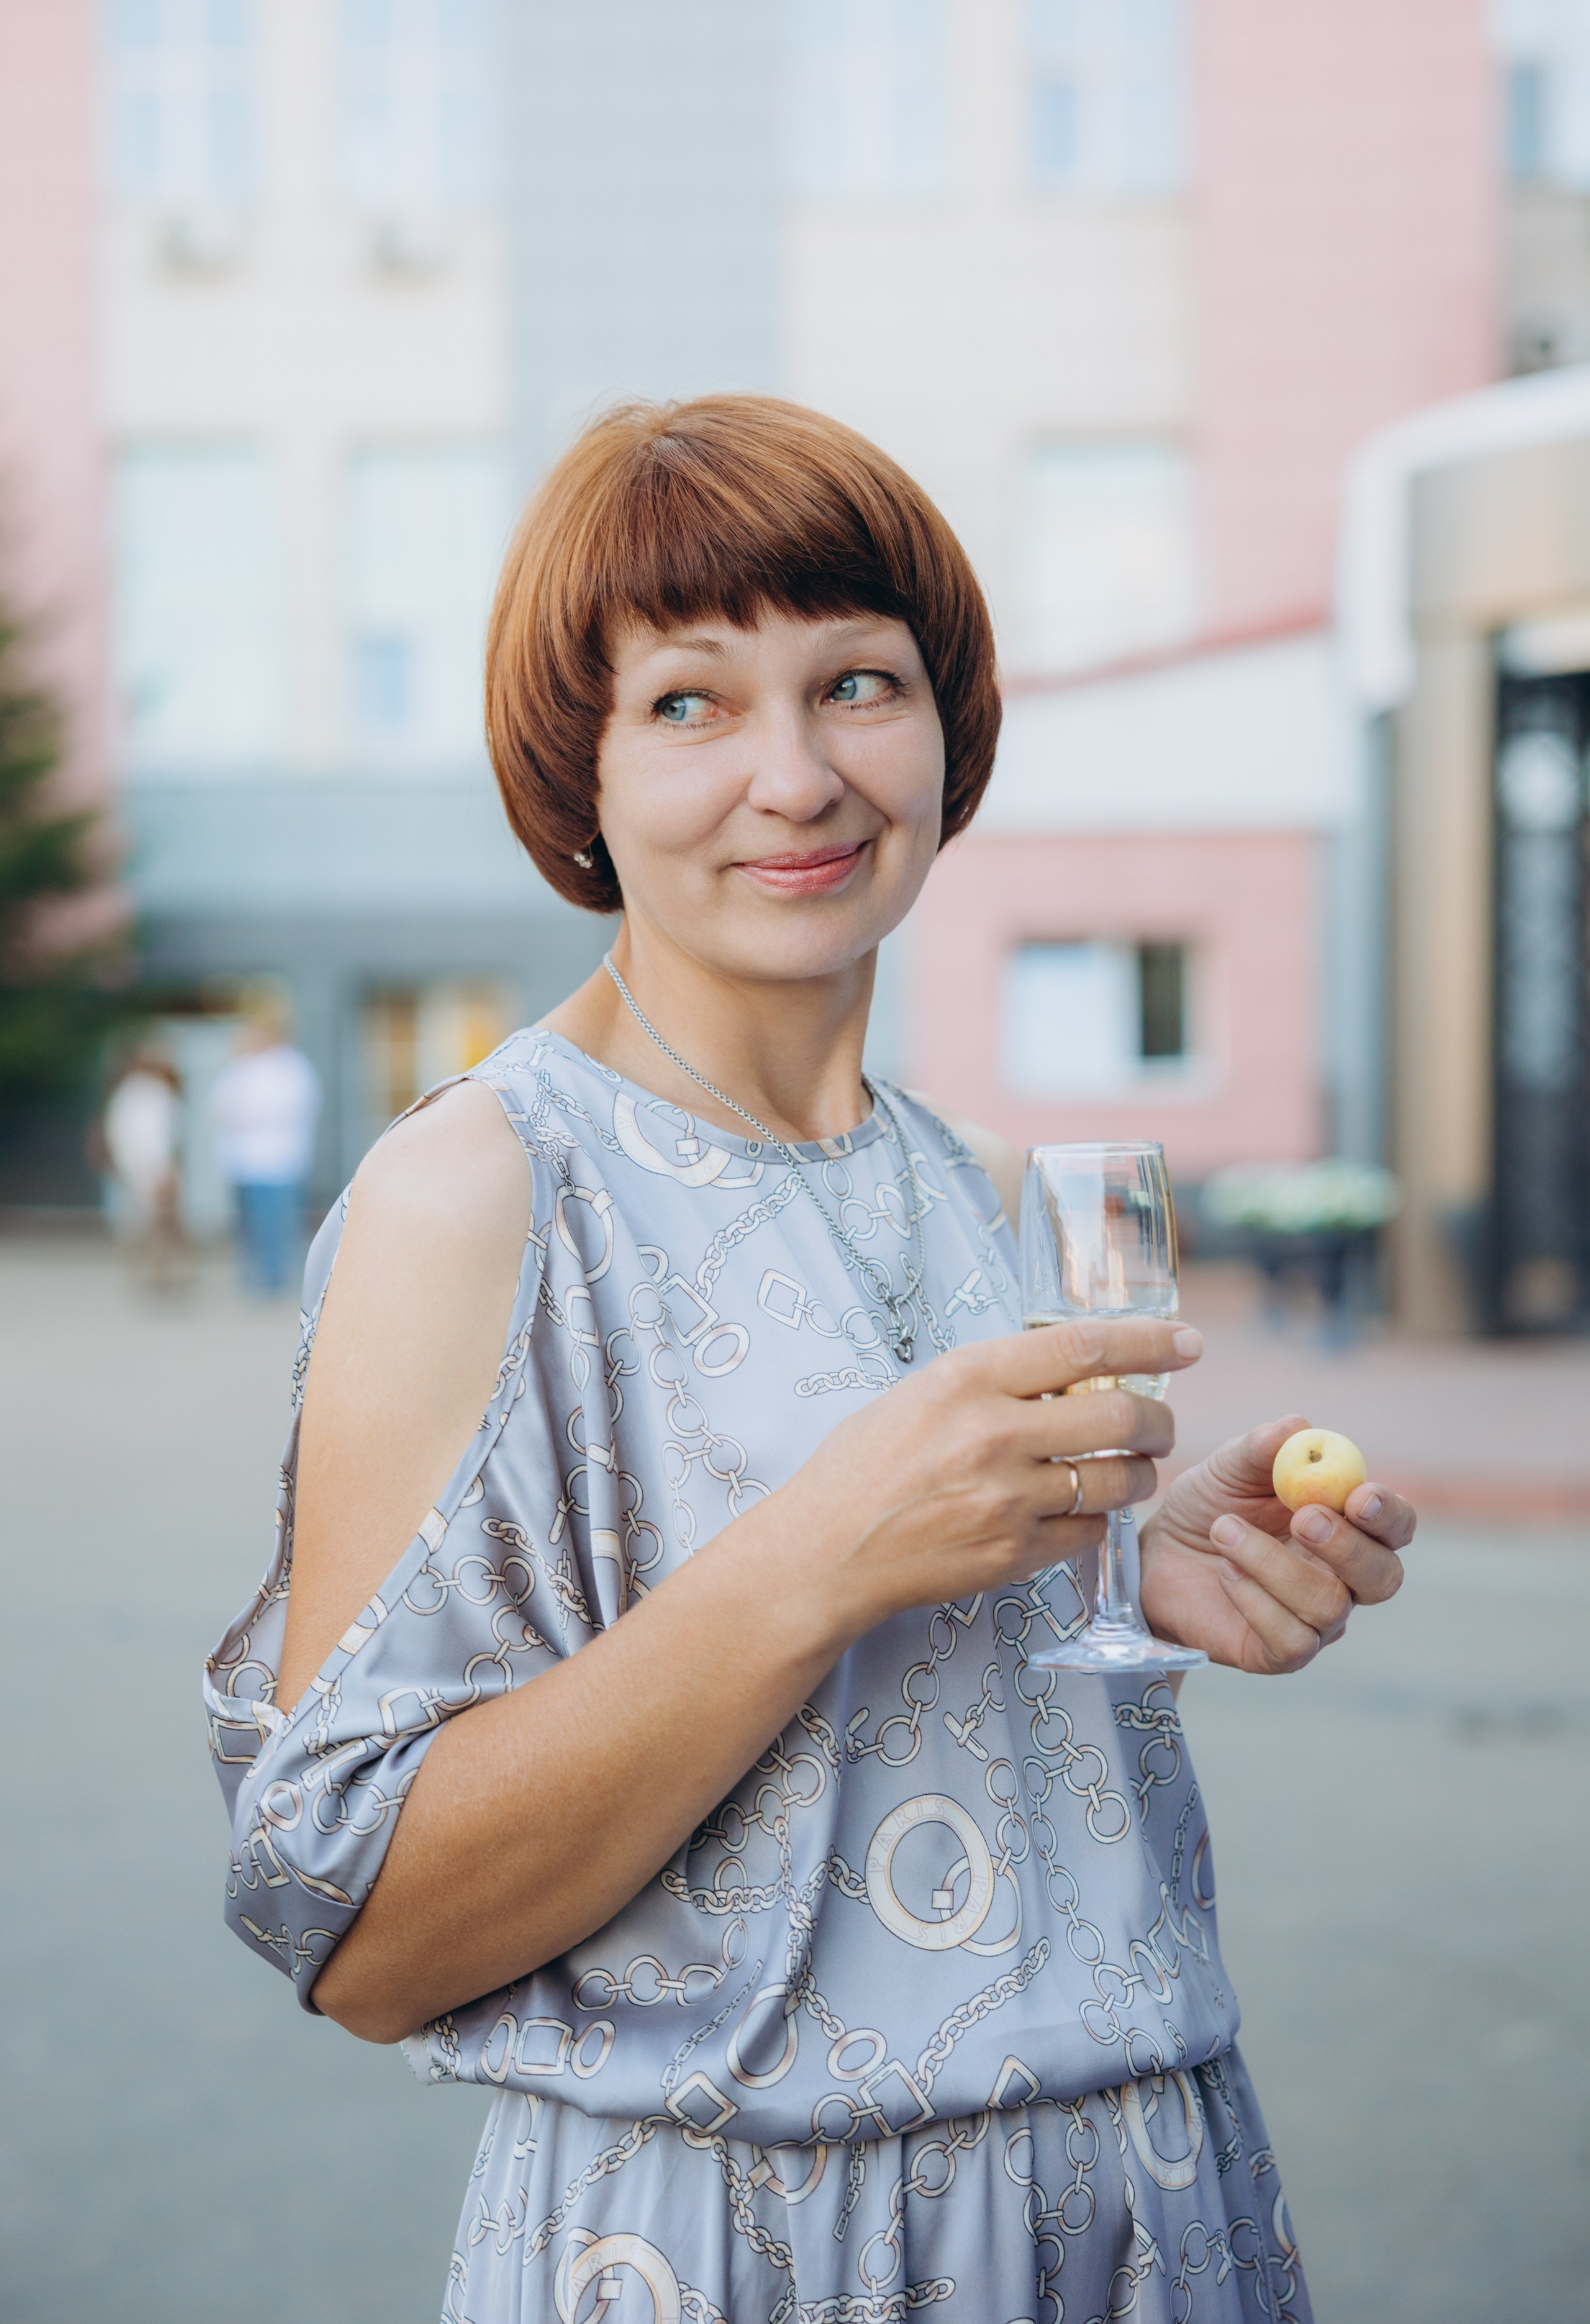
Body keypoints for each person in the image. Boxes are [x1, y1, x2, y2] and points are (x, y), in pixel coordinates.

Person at [207, 397, 1415, 2323]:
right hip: (725, 2245)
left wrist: (1141, 1560)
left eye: (856, 682)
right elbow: (360, 1928)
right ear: (575, 774)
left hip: (1148, 2204)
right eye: (689, 701)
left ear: (948, 733)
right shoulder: (480, 1187)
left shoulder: (1006, 1190)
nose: (796, 775)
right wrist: (825, 1544)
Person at [208, 992, 320, 1292]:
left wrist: (246, 1113)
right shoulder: (240, 1067)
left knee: (276, 1224)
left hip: (278, 1161)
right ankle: (251, 1276)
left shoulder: (292, 1068)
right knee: (246, 1225)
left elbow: (285, 1110)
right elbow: (220, 1107)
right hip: (242, 1161)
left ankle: (275, 1278)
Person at [101, 1046, 188, 1290]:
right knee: (157, 1223)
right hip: (152, 1167)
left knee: (149, 1222)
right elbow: (162, 1137)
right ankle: (157, 1272)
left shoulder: (128, 1094)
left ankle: (151, 1272)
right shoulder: (153, 1094)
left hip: (139, 1167)